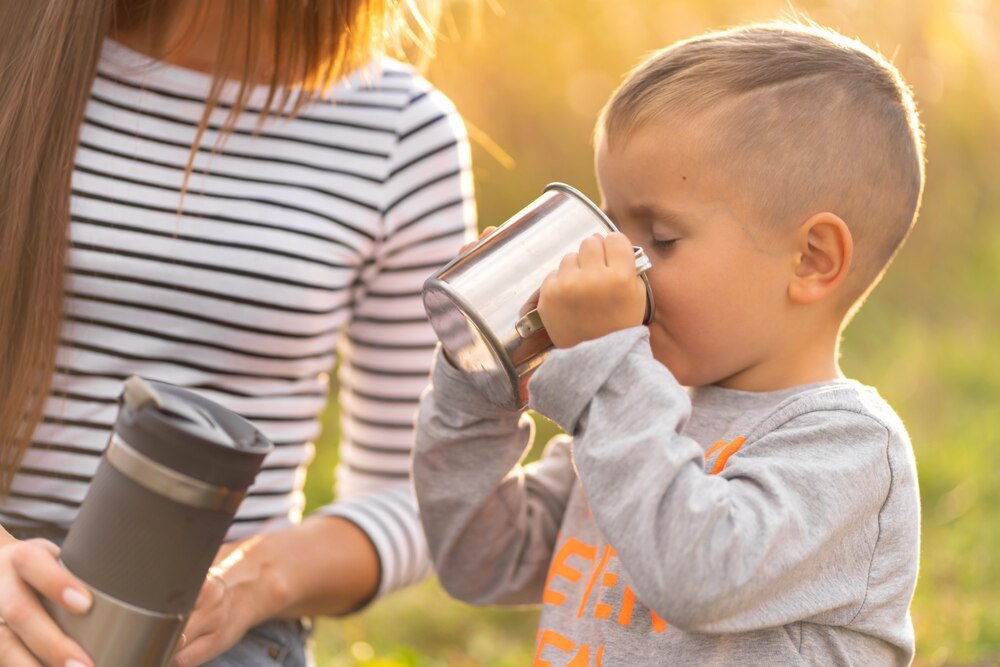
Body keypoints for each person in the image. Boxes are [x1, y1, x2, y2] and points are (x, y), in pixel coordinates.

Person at [413, 21, 923, 666]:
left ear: (810, 260)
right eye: (610, 226)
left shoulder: (847, 447)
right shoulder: (642, 415)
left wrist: (606, 365)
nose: (620, 266)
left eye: (660, 238)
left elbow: (700, 577)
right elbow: (482, 561)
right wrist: (478, 379)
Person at [0, 1, 475, 666]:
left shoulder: (403, 131)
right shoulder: (18, 53)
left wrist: (244, 582)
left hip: (211, 625)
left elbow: (416, 496)